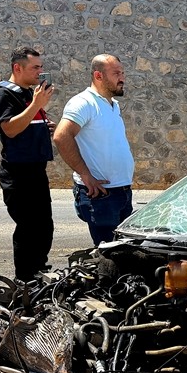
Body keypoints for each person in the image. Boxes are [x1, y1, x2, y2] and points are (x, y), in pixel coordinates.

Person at [53, 53, 135, 245]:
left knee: (124, 252)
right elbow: (61, 136)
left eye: (122, 73)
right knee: (109, 255)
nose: (122, 78)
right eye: (116, 73)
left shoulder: (113, 105)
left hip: (121, 190)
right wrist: (85, 175)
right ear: (98, 76)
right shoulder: (84, 103)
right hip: (101, 195)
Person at [0, 46, 55, 281]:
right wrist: (37, 105)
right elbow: (9, 128)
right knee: (29, 230)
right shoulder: (3, 94)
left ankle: (39, 273)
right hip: (18, 174)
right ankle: (25, 281)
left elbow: (27, 124)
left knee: (44, 228)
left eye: (41, 67)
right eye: (35, 67)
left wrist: (43, 126)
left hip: (36, 170)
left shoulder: (28, 93)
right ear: (17, 67)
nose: (40, 71)